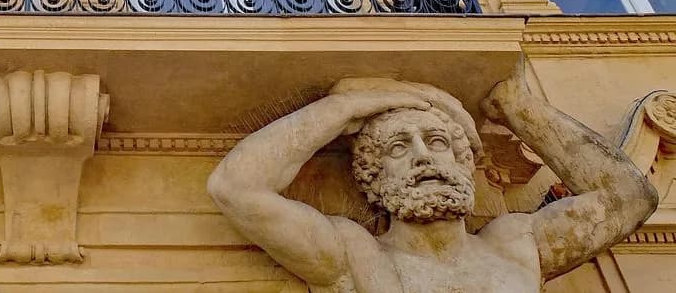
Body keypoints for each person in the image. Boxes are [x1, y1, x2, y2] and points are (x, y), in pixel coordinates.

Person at [207, 67, 658, 292]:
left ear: (464, 164)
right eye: (398, 149)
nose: (424, 157)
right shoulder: (356, 257)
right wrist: (347, 108)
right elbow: (237, 188)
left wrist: (514, 105)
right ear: (372, 179)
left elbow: (627, 197)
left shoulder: (514, 243)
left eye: (439, 142)